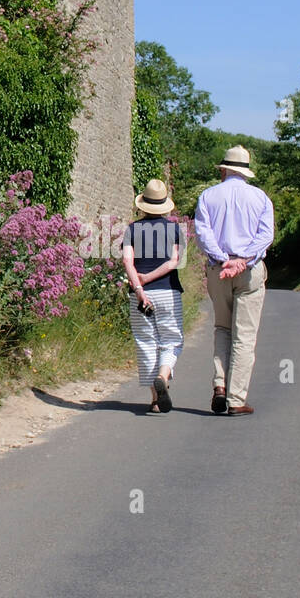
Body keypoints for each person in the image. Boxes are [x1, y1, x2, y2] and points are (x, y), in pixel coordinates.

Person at [194, 145, 275, 415]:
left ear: (225, 169)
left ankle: (219, 385)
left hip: (219, 270)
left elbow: (203, 233)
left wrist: (222, 259)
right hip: (249, 271)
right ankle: (236, 398)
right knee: (244, 336)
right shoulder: (260, 198)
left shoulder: (208, 196)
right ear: (245, 171)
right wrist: (244, 260)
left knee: (222, 328)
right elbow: (266, 236)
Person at [121, 179, 185, 413]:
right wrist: (150, 278)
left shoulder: (132, 229)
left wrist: (139, 287)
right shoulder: (175, 229)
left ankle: (156, 399)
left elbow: (127, 260)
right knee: (171, 340)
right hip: (168, 291)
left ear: (143, 205)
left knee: (146, 342)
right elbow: (174, 261)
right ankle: (163, 375)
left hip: (139, 295)